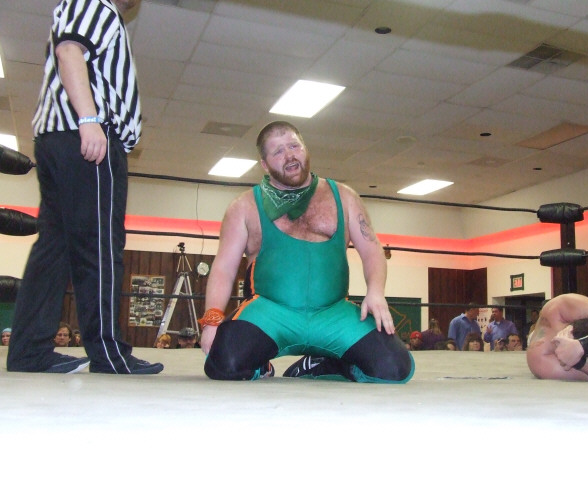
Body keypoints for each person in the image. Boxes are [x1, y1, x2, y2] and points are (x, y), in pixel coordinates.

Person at [6, 0, 163, 375]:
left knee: (54, 249)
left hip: (59, 138)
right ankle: (108, 354)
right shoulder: (97, 4)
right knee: (100, 245)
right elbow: (69, 50)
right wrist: (89, 119)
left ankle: (28, 352)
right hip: (85, 137)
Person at [198, 121, 414, 383]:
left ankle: (325, 365)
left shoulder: (344, 197)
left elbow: (372, 250)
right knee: (224, 363)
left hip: (333, 313)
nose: (289, 155)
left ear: (305, 149)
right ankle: (261, 364)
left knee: (394, 369)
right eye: (278, 151)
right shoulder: (244, 207)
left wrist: (376, 292)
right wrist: (212, 321)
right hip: (270, 312)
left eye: (294, 146)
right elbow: (223, 268)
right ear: (264, 164)